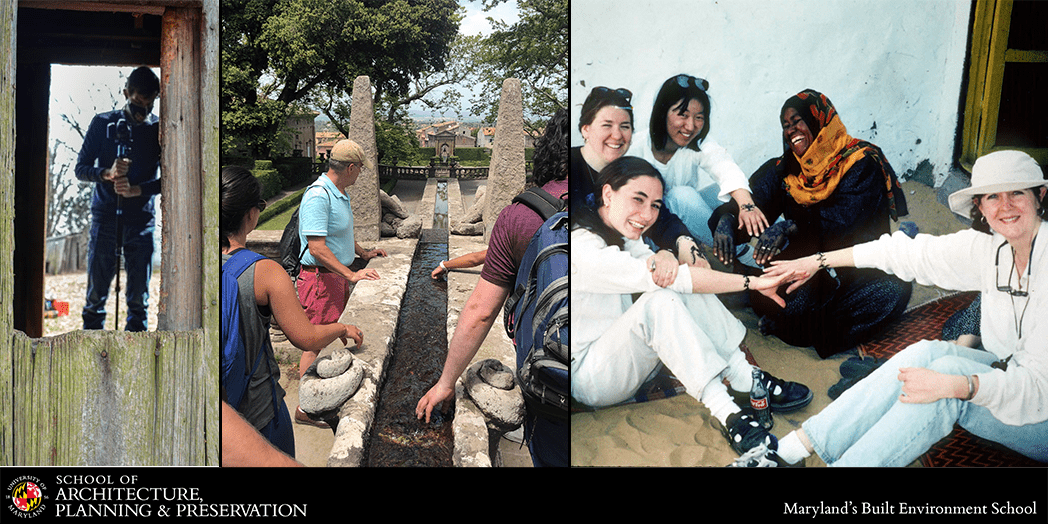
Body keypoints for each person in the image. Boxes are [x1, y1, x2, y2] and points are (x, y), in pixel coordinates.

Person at [763, 150, 1048, 467]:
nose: (1005, 206)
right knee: (925, 355)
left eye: (1017, 193)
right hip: (1009, 376)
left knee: (943, 386)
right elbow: (904, 254)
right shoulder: (991, 248)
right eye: (993, 195)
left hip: (1041, 412)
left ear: (1040, 196)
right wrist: (816, 262)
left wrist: (957, 385)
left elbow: (1037, 389)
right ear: (980, 206)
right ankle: (788, 451)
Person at [571, 156, 813, 466]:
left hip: (617, 353)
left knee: (674, 286)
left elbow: (674, 273)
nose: (646, 215)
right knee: (661, 299)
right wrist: (753, 282)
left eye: (656, 205)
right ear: (607, 194)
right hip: (591, 378)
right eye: (638, 200)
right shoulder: (583, 246)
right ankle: (729, 414)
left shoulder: (616, 231)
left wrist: (663, 252)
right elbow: (679, 279)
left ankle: (745, 378)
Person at [416, 108, 570, 467]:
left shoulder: (520, 216)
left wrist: (446, 381)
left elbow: (481, 311)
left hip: (554, 384)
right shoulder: (632, 208)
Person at [710, 89, 912, 358]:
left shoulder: (861, 162)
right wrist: (727, 219)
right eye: (786, 125)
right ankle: (791, 320)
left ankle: (798, 328)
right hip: (806, 270)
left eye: (798, 121)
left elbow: (846, 223)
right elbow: (755, 204)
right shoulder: (786, 169)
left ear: (820, 122)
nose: (792, 129)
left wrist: (789, 227)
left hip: (857, 269)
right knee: (783, 293)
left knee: (895, 289)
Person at [220, 165, 363, 460]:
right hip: (257, 411)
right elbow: (307, 338)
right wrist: (341, 328)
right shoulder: (263, 271)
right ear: (251, 214)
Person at [571, 86, 709, 290]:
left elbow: (661, 217)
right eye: (607, 125)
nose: (617, 135)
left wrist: (683, 242)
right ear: (586, 129)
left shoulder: (627, 168)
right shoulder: (568, 168)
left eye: (625, 126)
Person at [295, 139, 387, 426]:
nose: (361, 172)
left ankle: (321, 397)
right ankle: (305, 409)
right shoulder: (319, 196)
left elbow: (339, 235)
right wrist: (351, 274)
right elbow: (317, 248)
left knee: (329, 336)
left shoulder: (339, 192)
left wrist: (363, 253)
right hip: (321, 280)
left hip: (333, 279)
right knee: (314, 342)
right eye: (360, 168)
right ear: (350, 167)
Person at [633, 74, 768, 262]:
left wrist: (747, 206)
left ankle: (785, 245)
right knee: (681, 196)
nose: (690, 126)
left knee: (730, 192)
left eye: (699, 117)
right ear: (663, 111)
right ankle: (744, 255)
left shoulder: (697, 144)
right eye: (683, 115)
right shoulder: (636, 147)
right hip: (657, 233)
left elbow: (724, 166)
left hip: (689, 222)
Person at [74, 66, 162, 332]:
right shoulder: (102, 123)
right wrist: (107, 174)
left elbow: (171, 180)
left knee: (138, 300)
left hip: (142, 220)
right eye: (137, 103)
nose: (142, 111)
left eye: (150, 104)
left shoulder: (159, 128)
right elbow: (81, 169)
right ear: (126, 93)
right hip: (105, 217)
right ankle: (90, 353)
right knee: (95, 296)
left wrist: (139, 190)